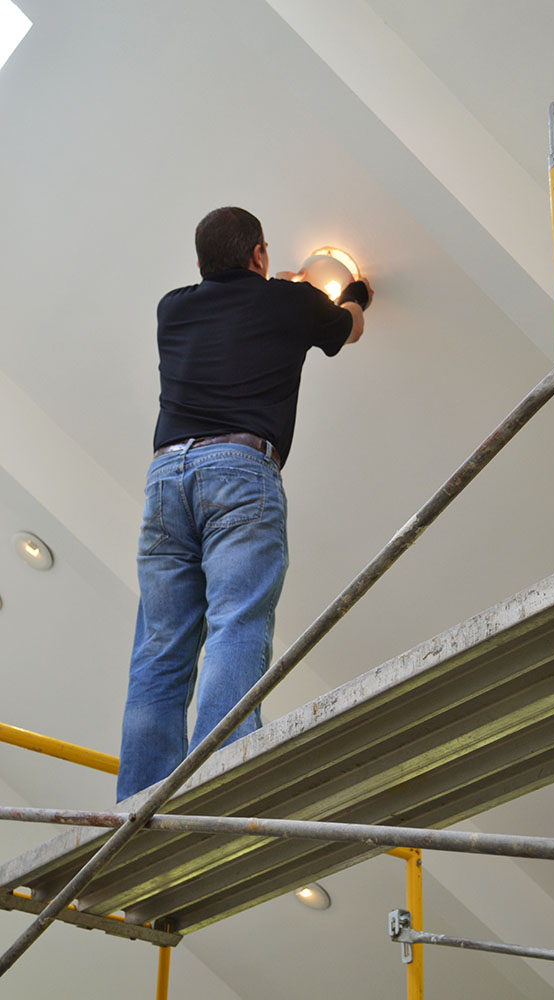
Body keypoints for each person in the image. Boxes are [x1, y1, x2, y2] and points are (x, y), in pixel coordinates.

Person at [116, 207, 373, 800]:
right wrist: (351, 293)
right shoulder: (291, 303)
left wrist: (282, 286)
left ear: (199, 263)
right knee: (236, 622)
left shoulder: (172, 308)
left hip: (166, 478)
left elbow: (243, 306)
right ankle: (219, 785)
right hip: (238, 470)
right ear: (259, 253)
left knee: (160, 649)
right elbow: (350, 326)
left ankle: (138, 806)